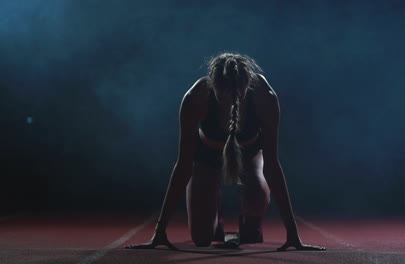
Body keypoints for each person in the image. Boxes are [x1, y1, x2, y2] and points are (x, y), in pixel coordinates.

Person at [125, 52, 325, 251]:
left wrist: (292, 234)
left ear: (248, 87)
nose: (229, 101)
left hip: (248, 155)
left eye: (235, 95)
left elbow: (272, 166)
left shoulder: (265, 97)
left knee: (256, 198)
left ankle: (252, 221)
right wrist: (160, 231)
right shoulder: (196, 97)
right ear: (212, 86)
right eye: (223, 95)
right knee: (201, 238)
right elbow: (183, 165)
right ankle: (214, 212)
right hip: (206, 159)